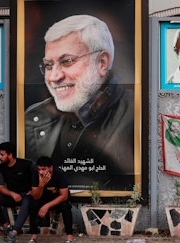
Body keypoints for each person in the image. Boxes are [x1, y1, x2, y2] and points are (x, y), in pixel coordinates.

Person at [25, 15, 134, 191]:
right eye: (48, 65)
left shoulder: (137, 114)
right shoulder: (33, 117)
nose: (54, 77)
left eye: (67, 61)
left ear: (102, 62)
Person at [0, 142, 33, 243]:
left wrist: (33, 189)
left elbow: (38, 176)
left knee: (28, 200)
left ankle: (14, 232)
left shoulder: (27, 164)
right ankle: (7, 227)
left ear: (10, 155)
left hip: (26, 195)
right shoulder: (0, 168)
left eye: (2, 155)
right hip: (12, 196)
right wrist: (12, 194)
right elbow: (1, 187)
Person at [28, 156, 74, 243]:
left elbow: (64, 196)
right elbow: (35, 196)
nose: (41, 172)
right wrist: (41, 185)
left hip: (57, 199)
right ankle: (33, 236)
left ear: (51, 168)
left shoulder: (59, 173)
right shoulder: (36, 175)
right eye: (39, 169)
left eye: (44, 169)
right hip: (42, 198)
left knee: (66, 206)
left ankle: (69, 237)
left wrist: (46, 206)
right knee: (33, 204)